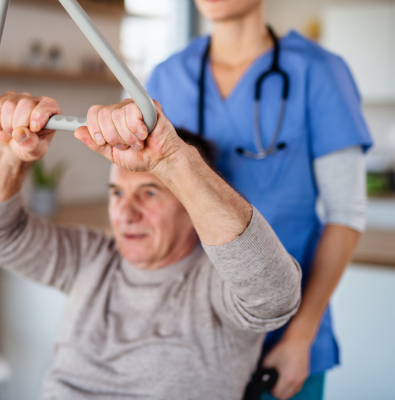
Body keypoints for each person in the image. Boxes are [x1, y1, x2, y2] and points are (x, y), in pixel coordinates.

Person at [0, 92, 301, 399]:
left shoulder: (217, 285)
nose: (126, 213)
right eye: (118, 193)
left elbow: (276, 296)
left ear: (192, 203)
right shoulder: (92, 258)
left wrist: (173, 160)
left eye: (149, 193)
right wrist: (7, 151)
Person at [145, 0, 373, 398]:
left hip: (284, 339)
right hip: (188, 335)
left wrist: (301, 337)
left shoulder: (319, 73)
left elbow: (346, 214)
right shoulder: (167, 78)